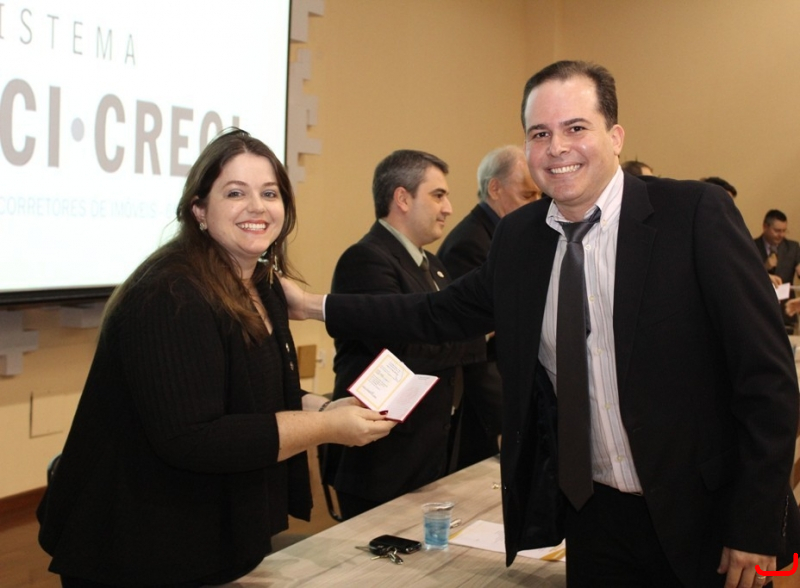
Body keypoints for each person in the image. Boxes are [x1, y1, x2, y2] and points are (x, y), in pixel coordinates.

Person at [282, 61, 800, 588]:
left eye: (575, 128)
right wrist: (311, 305)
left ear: (615, 136)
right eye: (540, 133)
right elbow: (433, 313)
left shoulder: (692, 215)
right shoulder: (520, 239)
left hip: (706, 516)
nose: (557, 147)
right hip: (594, 520)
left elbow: (768, 378)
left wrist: (755, 521)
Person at [36, 128, 395, 587]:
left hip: (213, 530)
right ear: (199, 210)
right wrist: (327, 429)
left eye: (269, 193)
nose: (257, 207)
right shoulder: (170, 294)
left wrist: (326, 409)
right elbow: (194, 437)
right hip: (138, 542)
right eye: (235, 193)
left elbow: (257, 394)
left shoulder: (263, 283)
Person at [323, 149, 483, 520]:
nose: (448, 209)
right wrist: (478, 333)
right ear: (402, 198)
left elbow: (445, 333)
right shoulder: (366, 260)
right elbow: (402, 351)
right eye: (438, 195)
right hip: (381, 460)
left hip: (428, 452)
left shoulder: (433, 264)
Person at [437, 145, 540, 468]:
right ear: (495, 189)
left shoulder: (505, 234)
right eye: (527, 195)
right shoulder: (472, 243)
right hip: (480, 402)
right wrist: (504, 418)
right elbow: (474, 340)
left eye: (540, 195)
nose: (536, 204)